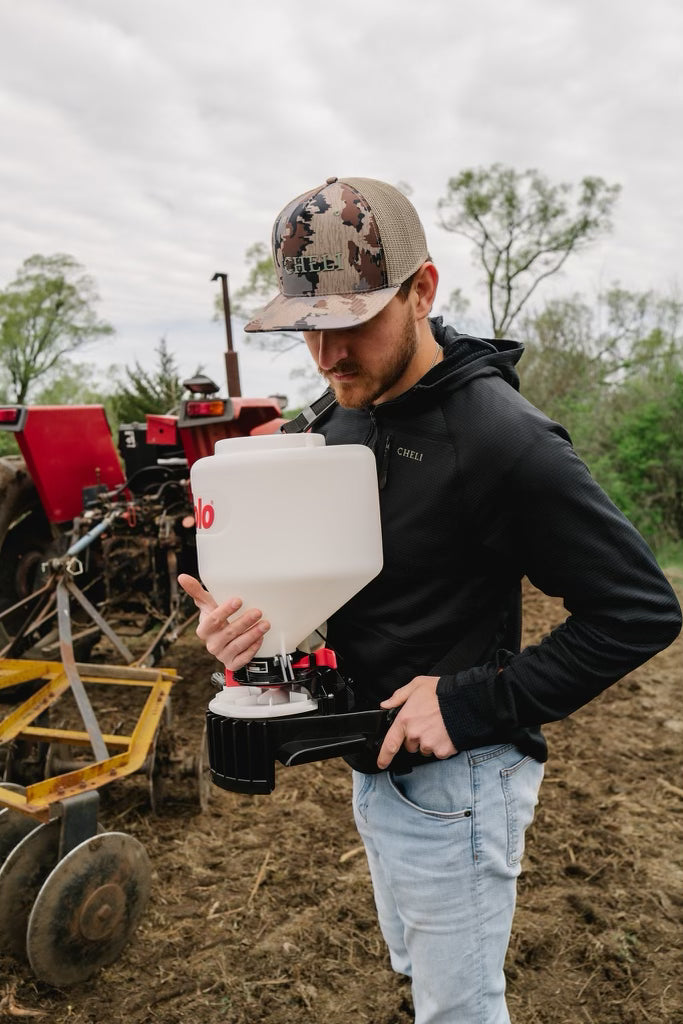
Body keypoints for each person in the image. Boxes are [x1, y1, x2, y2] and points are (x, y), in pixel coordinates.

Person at [179, 176, 682, 1024]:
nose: (328, 358)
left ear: (422, 290)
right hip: (374, 769)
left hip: (462, 783)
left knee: (459, 1010)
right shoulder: (338, 420)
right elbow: (326, 575)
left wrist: (472, 701)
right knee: (416, 971)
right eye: (310, 330)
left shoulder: (503, 441)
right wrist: (250, 626)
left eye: (352, 327)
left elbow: (638, 608)